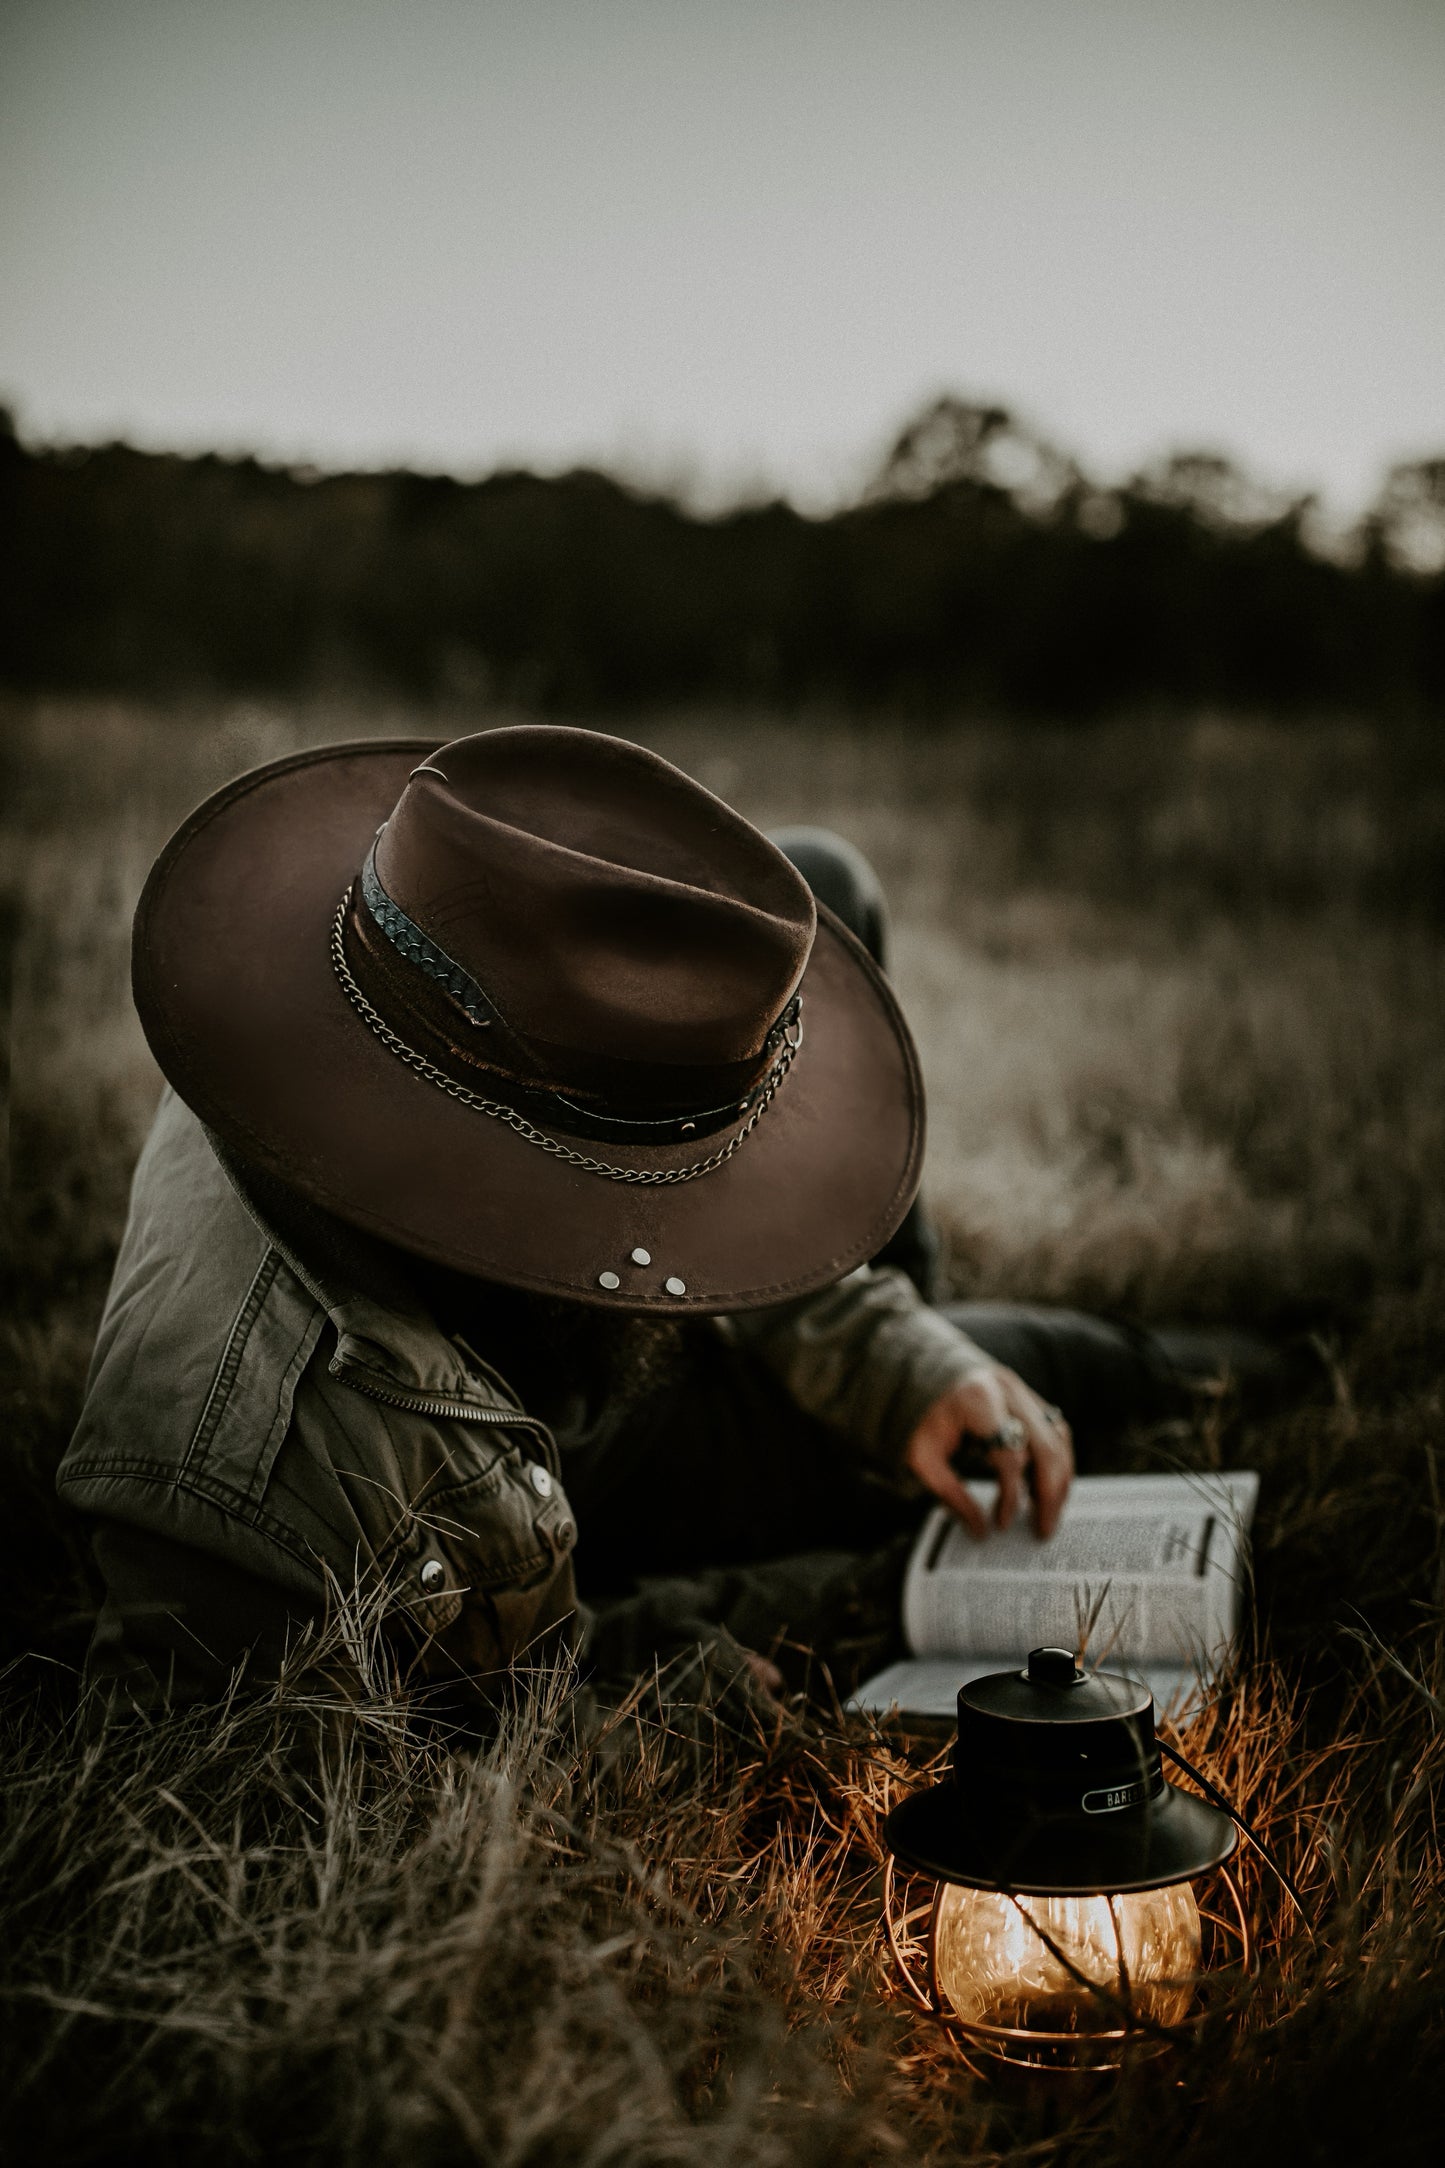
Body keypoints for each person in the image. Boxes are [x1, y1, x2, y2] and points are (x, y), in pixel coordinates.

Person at [58, 727, 1217, 1718]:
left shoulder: (361, 1016)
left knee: (824, 883)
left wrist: (892, 1356)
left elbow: (689, 1181)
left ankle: (1204, 1365)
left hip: (575, 1381)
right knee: (1002, 1419)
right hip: (533, 1476)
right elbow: (459, 1720)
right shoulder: (292, 1485)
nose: (712, 1214)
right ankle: (1171, 1383)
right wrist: (671, 1667)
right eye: (674, 1171)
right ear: (571, 1190)